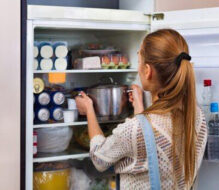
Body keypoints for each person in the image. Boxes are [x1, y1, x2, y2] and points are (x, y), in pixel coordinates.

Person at [75, 29, 207, 189]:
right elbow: (151, 148)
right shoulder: (197, 117)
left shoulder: (134, 129)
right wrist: (139, 108)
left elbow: (99, 159)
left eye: (138, 61)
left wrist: (89, 109)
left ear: (148, 70)